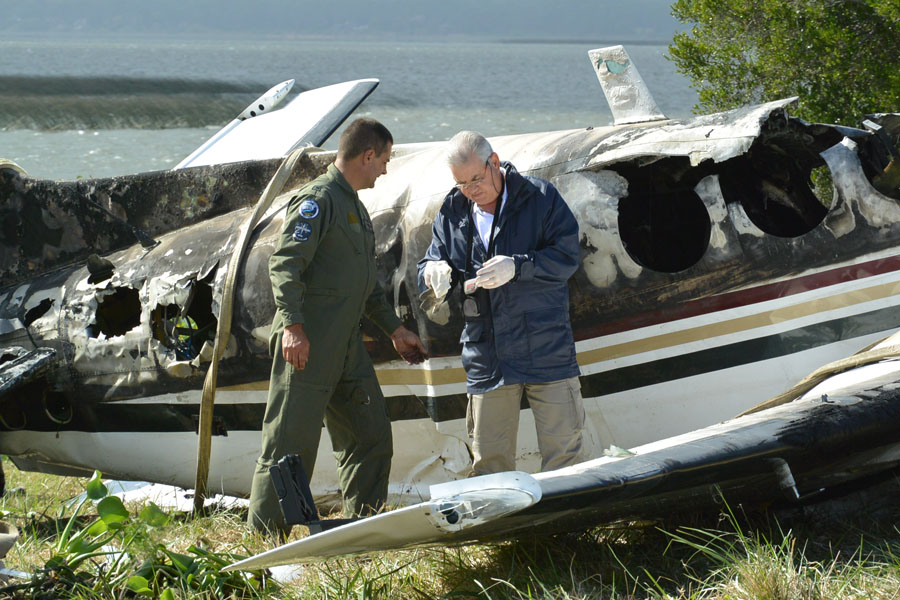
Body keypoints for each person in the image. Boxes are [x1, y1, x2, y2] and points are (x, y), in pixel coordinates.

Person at [249, 117, 426, 535]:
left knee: (371, 434)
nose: (384, 169)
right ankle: (263, 538)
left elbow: (365, 288)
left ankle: (362, 527)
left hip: (346, 347)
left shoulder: (355, 210)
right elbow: (285, 264)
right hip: (307, 345)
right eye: (382, 160)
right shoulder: (318, 201)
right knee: (287, 445)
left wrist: (395, 331)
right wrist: (292, 325)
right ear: (367, 155)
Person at [418, 130, 596, 476]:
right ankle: (507, 530)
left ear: (494, 163)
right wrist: (433, 272)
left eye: (476, 180)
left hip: (546, 347)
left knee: (565, 457)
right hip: (489, 356)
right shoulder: (453, 210)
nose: (471, 191)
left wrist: (518, 266)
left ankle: (566, 528)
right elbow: (430, 260)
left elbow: (566, 257)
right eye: (461, 184)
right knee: (489, 464)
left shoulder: (539, 197)